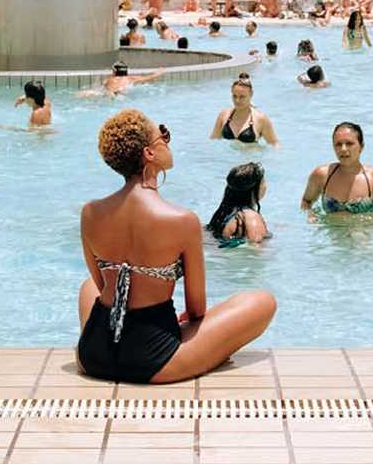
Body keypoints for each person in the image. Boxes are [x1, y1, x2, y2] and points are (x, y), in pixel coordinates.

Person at [76, 109, 276, 383]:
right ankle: (205, 355)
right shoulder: (182, 221)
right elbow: (196, 310)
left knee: (88, 286)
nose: (168, 141)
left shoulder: (90, 213)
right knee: (263, 302)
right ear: (149, 153)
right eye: (164, 135)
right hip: (152, 359)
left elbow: (101, 286)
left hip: (94, 353)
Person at [301, 122, 373, 221]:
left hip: (363, 243)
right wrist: (310, 216)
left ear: (361, 147)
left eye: (349, 144)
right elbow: (307, 201)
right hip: (331, 242)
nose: (343, 149)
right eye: (338, 144)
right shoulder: (322, 175)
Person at [207, 163, 271, 246]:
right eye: (263, 182)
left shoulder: (223, 214)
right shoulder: (251, 217)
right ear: (256, 187)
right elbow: (256, 254)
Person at [209, 76, 277, 146]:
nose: (237, 100)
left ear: (251, 94)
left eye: (242, 97)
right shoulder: (223, 115)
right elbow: (213, 141)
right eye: (234, 96)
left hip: (251, 156)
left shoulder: (261, 119)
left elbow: (274, 145)